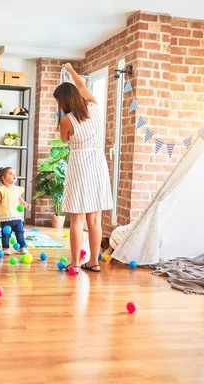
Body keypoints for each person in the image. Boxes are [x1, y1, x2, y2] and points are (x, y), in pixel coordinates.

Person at [55, 63, 113, 273]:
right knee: (94, 218)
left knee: (77, 219)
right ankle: (94, 262)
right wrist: (71, 71)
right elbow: (82, 86)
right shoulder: (94, 107)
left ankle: (75, 263)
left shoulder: (66, 120)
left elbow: (63, 141)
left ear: (63, 101)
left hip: (79, 166)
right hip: (98, 164)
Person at [0, 166, 31, 255]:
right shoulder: (1, 189)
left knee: (20, 232)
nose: (14, 176)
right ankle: (5, 248)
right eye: (11, 174)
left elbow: (19, 199)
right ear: (4, 178)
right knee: (6, 233)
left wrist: (25, 204)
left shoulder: (17, 189)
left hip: (17, 216)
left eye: (15, 174)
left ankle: (22, 247)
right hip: (6, 216)